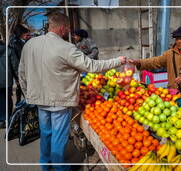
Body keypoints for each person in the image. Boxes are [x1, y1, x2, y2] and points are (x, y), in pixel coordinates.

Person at [18, 12, 126, 171]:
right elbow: (92, 66)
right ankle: (59, 167)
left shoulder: (30, 44)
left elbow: (22, 72)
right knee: (58, 136)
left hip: (39, 99)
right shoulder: (66, 48)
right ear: (62, 28)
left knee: (46, 133)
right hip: (59, 101)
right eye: (67, 28)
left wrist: (28, 94)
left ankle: (44, 163)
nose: (69, 31)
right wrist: (118, 60)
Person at [129, 26, 181, 95]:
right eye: (176, 39)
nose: (178, 41)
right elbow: (156, 61)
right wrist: (140, 62)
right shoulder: (170, 53)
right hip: (173, 91)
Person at [0, 36, 19, 128]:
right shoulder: (8, 50)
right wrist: (18, 78)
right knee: (7, 99)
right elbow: (15, 66)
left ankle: (1, 119)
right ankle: (7, 118)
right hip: (6, 80)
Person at [9, 24, 31, 105]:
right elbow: (16, 61)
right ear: (20, 34)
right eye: (26, 34)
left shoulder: (21, 41)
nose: (27, 35)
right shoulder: (15, 43)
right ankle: (20, 105)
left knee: (22, 89)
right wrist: (18, 76)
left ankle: (22, 104)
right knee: (22, 88)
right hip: (20, 70)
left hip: (23, 69)